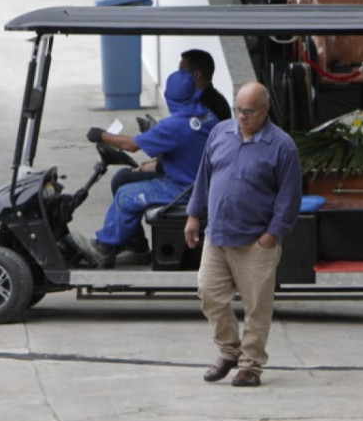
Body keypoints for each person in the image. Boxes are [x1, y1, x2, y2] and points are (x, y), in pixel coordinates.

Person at [184, 82, 302, 387]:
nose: (242, 116)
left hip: (255, 241)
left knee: (256, 307)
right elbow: (204, 177)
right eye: (238, 109)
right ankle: (229, 351)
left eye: (249, 111)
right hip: (217, 235)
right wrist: (194, 216)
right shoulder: (220, 133)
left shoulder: (282, 145)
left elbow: (289, 196)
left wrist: (272, 234)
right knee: (209, 294)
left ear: (265, 110)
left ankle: (250, 365)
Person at [78, 69, 217, 268]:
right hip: (197, 180)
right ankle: (137, 248)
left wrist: (101, 135)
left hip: (185, 188)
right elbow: (191, 151)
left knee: (126, 195)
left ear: (169, 97)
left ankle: (104, 248)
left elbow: (132, 145)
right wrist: (156, 165)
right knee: (124, 179)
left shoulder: (176, 125)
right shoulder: (207, 115)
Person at [109, 49, 233, 196]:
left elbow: (192, 146)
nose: (178, 76)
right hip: (192, 170)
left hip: (189, 179)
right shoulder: (212, 101)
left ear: (195, 75)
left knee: (122, 180)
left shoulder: (203, 108)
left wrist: (157, 165)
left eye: (181, 71)